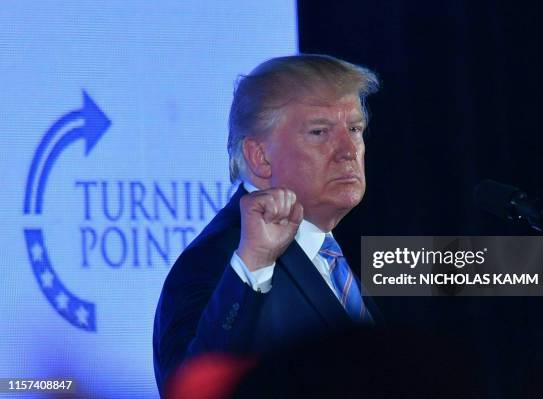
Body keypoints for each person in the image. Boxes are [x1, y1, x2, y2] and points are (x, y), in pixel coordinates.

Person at [153, 54, 383, 393]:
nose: (348, 150)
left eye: (354, 129)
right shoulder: (222, 261)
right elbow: (190, 391)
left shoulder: (338, 254)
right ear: (260, 157)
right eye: (320, 132)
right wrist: (252, 268)